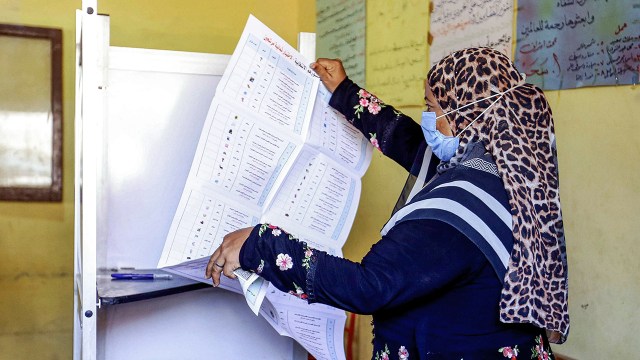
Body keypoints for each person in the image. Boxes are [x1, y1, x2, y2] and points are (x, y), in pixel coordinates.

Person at [205, 47, 569, 359]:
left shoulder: (458, 207)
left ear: (467, 117)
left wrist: (259, 245)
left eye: (433, 107)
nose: (428, 119)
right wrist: (345, 93)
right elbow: (410, 142)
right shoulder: (508, 168)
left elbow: (369, 286)